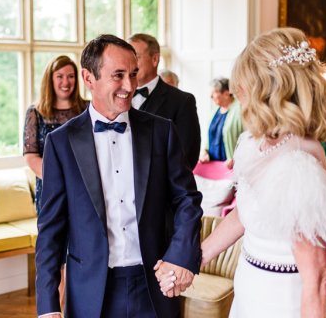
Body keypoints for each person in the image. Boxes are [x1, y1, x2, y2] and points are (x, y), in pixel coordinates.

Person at [158, 27, 326, 317]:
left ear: (268, 88)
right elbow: (244, 213)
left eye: (244, 84)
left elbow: (317, 277)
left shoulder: (298, 161)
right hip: (249, 285)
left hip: (282, 299)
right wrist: (191, 260)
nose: (238, 93)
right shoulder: (254, 140)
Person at [35, 34, 203, 318]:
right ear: (89, 78)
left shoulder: (162, 132)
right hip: (90, 290)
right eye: (118, 75)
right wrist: (48, 305)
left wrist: (180, 256)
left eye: (133, 74)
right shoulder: (61, 143)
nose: (130, 86)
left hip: (154, 285)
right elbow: (51, 229)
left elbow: (187, 200)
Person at [23, 55, 87, 215]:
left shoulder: (88, 108)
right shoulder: (35, 113)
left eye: (71, 76)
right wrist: (59, 179)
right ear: (50, 79)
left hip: (85, 189)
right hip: (50, 191)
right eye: (60, 76)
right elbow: (31, 157)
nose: (66, 82)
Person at [128, 33, 201, 170]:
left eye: (136, 57)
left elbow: (187, 156)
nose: (130, 64)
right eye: (127, 58)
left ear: (155, 59)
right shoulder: (117, 97)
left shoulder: (182, 101)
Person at [198, 77, 244, 170]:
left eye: (214, 92)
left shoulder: (240, 110)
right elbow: (210, 135)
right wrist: (204, 151)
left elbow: (247, 139)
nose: (211, 96)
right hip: (213, 165)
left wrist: (236, 158)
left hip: (231, 167)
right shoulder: (215, 110)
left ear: (226, 93)